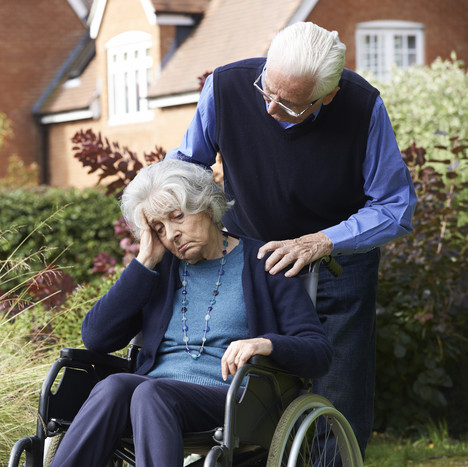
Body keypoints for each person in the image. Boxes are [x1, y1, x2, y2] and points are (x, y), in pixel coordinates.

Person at [165, 21, 417, 455]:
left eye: (291, 104)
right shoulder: (225, 87)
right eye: (267, 90)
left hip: (337, 265)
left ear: (328, 95)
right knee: (249, 388)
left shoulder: (362, 106)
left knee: (338, 395)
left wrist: (322, 240)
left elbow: (395, 206)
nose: (270, 109)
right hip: (248, 261)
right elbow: (185, 167)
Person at [50, 159, 332, 466]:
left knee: (150, 394)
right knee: (113, 386)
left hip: (233, 399)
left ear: (207, 207)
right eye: (159, 228)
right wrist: (144, 262)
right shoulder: (160, 270)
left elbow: (318, 353)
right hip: (151, 398)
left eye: (177, 217)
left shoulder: (263, 263)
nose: (171, 234)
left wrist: (264, 343)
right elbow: (96, 337)